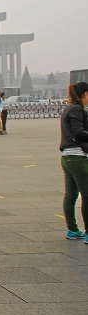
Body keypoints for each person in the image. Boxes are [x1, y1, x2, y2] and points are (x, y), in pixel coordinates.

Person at [60, 82, 88, 241]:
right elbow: (78, 132)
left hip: (67, 157)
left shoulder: (69, 108)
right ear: (85, 94)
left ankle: (72, 229)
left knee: (71, 196)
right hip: (77, 157)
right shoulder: (77, 109)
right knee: (87, 195)